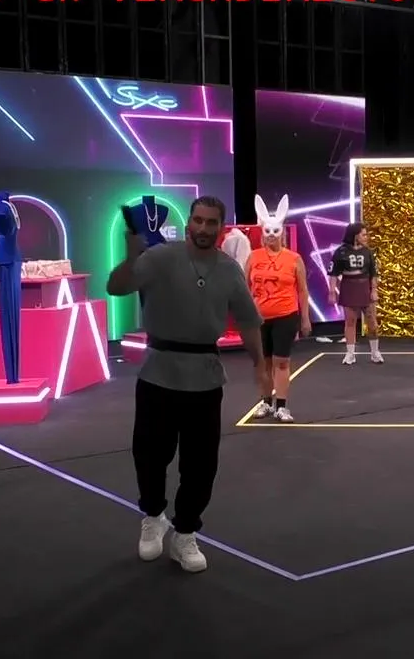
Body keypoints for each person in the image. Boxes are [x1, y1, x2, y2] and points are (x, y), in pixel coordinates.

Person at [106, 195, 265, 574]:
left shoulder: (229, 270)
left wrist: (260, 364)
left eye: (212, 222)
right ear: (189, 222)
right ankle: (153, 516)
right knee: (149, 456)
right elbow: (116, 287)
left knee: (201, 464)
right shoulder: (160, 258)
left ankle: (185, 532)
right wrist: (130, 257)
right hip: (158, 373)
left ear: (222, 227)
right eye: (198, 220)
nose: (204, 228)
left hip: (205, 378)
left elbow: (247, 319)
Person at [246, 194, 312, 423]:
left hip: (286, 316)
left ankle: (281, 406)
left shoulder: (294, 259)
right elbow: (244, 288)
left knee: (281, 361)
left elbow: (302, 290)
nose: (271, 235)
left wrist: (305, 318)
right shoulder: (253, 257)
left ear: (282, 232)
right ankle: (266, 402)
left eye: (275, 231)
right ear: (262, 231)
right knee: (263, 362)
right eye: (268, 231)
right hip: (259, 318)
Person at [328, 222, 383, 365]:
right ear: (355, 236)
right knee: (350, 321)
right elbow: (333, 274)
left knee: (372, 322)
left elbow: (373, 273)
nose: (366, 237)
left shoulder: (368, 252)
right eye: (363, 235)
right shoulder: (341, 252)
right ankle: (350, 354)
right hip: (349, 287)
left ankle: (375, 352)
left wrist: (374, 290)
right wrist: (332, 292)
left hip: (365, 287)